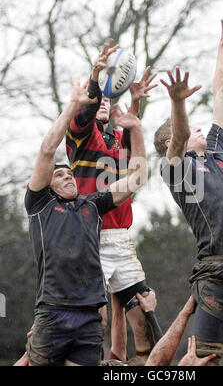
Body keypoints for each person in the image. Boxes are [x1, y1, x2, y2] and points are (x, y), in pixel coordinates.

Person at [154, 9, 223, 366]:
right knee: (200, 363)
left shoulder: (218, 150)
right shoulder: (177, 172)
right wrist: (177, 102)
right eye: (189, 130)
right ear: (177, 139)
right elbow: (178, 141)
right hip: (217, 276)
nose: (200, 130)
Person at [23, 76, 147, 366]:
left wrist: (137, 124)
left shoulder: (92, 205)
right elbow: (46, 151)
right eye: (60, 175)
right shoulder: (40, 206)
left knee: (136, 312)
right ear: (48, 187)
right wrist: (75, 103)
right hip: (53, 311)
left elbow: (137, 177)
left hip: (87, 317)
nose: (68, 176)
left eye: (70, 174)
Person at [66, 38, 160, 361]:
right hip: (89, 236)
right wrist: (95, 80)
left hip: (120, 239)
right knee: (96, 319)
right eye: (98, 101)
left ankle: (134, 366)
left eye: (107, 99)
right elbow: (88, 109)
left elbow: (137, 166)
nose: (103, 102)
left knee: (144, 315)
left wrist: (134, 105)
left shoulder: (119, 138)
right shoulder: (81, 134)